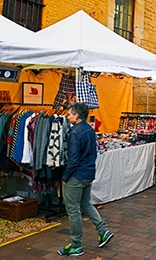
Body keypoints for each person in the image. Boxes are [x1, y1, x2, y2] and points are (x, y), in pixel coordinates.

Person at [58, 102, 113, 256]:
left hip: (76, 175)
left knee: (74, 210)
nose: (68, 116)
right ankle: (103, 231)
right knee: (86, 204)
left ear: (76, 115)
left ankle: (76, 245)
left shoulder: (75, 132)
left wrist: (65, 176)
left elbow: (73, 159)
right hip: (88, 173)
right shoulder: (89, 129)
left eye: (69, 114)